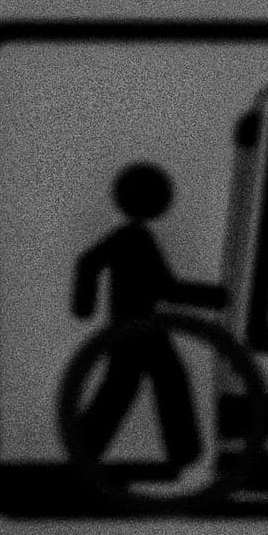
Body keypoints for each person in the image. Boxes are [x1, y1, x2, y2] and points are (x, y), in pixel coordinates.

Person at [68, 161, 227, 473]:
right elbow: (163, 288)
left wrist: (84, 306)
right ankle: (183, 453)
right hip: (137, 327)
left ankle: (91, 447)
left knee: (131, 384)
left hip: (137, 326)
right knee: (150, 382)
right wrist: (213, 297)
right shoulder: (134, 239)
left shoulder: (133, 237)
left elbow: (90, 263)